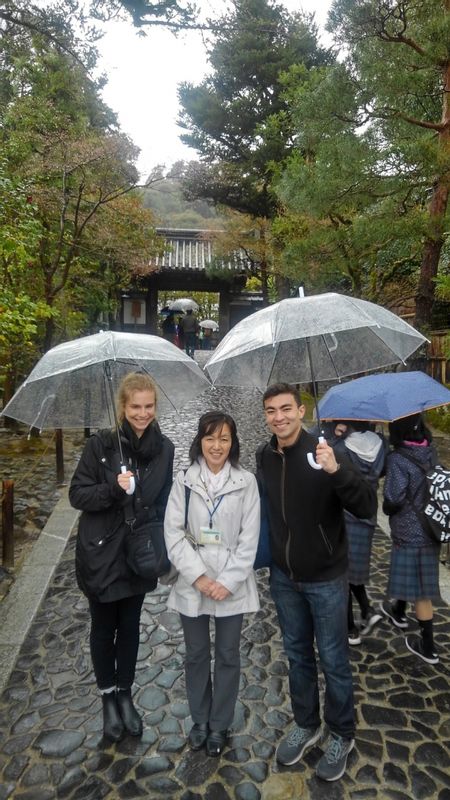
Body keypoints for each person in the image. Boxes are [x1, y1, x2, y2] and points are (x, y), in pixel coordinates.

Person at [257, 383, 376, 782]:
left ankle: (342, 732)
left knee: (334, 660)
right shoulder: (264, 457)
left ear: (302, 410)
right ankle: (306, 723)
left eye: (286, 409)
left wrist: (336, 471)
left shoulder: (328, 452)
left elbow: (365, 506)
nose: (279, 417)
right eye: (271, 411)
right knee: (297, 657)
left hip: (326, 577)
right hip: (285, 578)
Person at [69, 373, 174, 742]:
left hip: (138, 553)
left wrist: (158, 536)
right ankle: (107, 699)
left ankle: (125, 694)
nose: (142, 414)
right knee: (103, 627)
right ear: (123, 407)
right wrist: (113, 489)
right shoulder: (101, 444)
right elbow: (77, 495)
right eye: (135, 407)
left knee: (129, 626)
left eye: (148, 406)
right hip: (102, 552)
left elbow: (164, 501)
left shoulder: (166, 449)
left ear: (155, 406)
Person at [164, 411, 260, 757]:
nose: (216, 446)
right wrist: (199, 577)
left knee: (228, 655)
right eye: (210, 438)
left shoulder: (246, 482)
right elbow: (173, 534)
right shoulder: (184, 481)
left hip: (231, 584)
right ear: (199, 441)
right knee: (196, 654)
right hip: (194, 581)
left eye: (224, 439)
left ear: (233, 442)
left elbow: (250, 538)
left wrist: (228, 581)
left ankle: (220, 724)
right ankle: (200, 720)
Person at [380, 413, 441, 664]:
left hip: (409, 532)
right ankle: (398, 611)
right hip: (432, 528)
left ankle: (428, 647)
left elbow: (393, 498)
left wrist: (386, 507)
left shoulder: (397, 459)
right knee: (415, 578)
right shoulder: (431, 453)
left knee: (422, 593)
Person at [332, 421, 387, 645]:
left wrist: (336, 437)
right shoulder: (382, 444)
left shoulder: (343, 448)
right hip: (368, 513)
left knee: (343, 572)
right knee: (355, 568)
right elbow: (383, 470)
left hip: (346, 513)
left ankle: (349, 628)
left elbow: (334, 468)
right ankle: (367, 610)